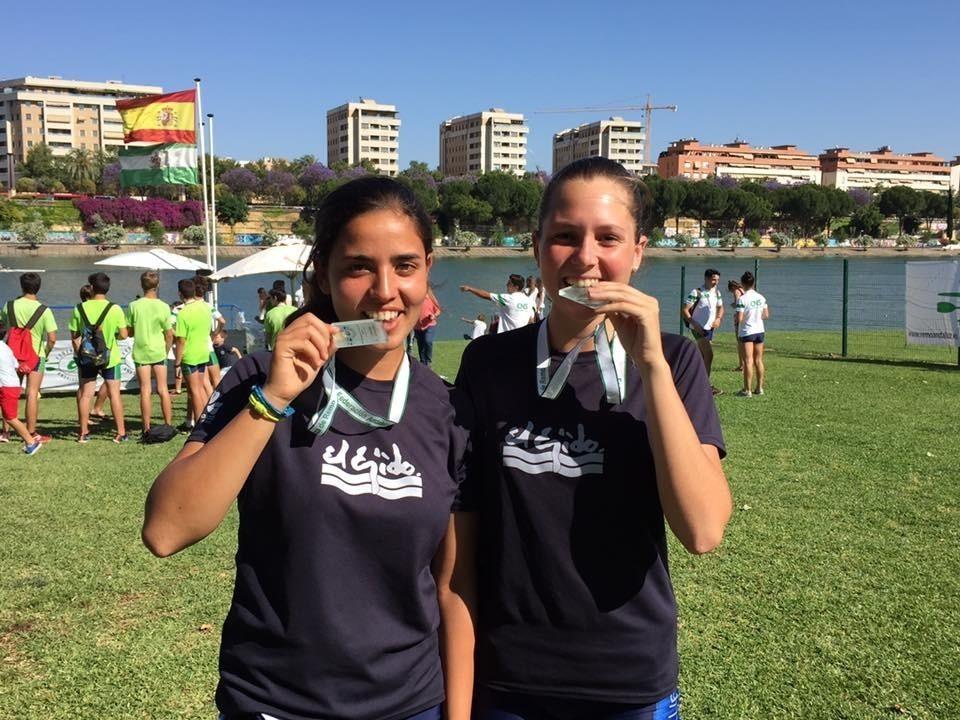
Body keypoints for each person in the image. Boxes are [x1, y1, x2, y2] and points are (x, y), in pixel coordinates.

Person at [142, 176, 476, 720]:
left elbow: (454, 587)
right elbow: (166, 530)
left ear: (428, 270)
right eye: (359, 266)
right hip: (276, 701)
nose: (385, 290)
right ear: (323, 272)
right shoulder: (258, 378)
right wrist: (273, 398)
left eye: (405, 266)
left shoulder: (450, 409)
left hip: (409, 703)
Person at [455, 157, 731, 720]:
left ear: (637, 251)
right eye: (564, 237)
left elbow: (702, 530)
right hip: (508, 679)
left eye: (608, 237)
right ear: (537, 248)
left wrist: (650, 364)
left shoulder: (674, 360)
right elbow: (464, 532)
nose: (585, 258)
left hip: (626, 679)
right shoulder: (487, 363)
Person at [70, 272, 128, 443]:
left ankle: (83, 433)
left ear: (92, 288)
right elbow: (124, 335)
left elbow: (75, 334)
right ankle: (120, 433)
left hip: (87, 356)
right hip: (110, 356)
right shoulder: (114, 308)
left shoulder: (79, 308)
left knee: (86, 394)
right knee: (114, 394)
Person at [4, 272, 57, 443]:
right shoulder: (44, 310)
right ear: (38, 288)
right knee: (32, 393)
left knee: (8, 393)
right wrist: (45, 353)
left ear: (21, 286)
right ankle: (32, 432)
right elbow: (52, 338)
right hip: (36, 356)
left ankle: (5, 432)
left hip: (12, 355)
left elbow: (2, 327)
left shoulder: (9, 305)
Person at [126, 271, 174, 434]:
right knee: (163, 389)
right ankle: (168, 423)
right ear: (157, 285)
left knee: (145, 390)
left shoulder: (134, 305)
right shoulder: (164, 306)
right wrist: (166, 350)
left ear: (141, 285)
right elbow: (169, 333)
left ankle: (146, 427)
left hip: (141, 350)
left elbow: (130, 331)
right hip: (158, 350)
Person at [174, 278, 214, 426]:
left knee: (194, 391)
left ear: (180, 294)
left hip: (189, 355)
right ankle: (205, 419)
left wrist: (177, 363)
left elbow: (181, 341)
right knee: (201, 388)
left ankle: (199, 423)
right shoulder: (205, 308)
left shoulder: (183, 313)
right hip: (203, 352)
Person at [0, 326, 43, 455]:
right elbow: (15, 365)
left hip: (6, 387)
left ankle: (31, 442)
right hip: (10, 385)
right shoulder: (6, 348)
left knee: (11, 418)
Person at [682, 268, 724, 395]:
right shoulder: (696, 292)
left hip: (709, 328)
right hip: (698, 329)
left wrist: (718, 318)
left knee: (701, 356)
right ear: (706, 278)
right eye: (713, 280)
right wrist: (694, 324)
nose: (715, 282)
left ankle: (693, 381)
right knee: (709, 355)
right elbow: (684, 310)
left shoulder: (717, 292)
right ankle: (706, 386)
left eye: (717, 280)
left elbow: (721, 307)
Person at [460, 274, 534, 333]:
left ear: (516, 287)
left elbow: (486, 295)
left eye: (509, 283)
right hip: (522, 339)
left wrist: (470, 289)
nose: (506, 285)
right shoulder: (529, 301)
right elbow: (531, 321)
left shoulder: (508, 298)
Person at [735, 271, 769, 397]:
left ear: (743, 284)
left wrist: (744, 318)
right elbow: (766, 315)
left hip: (747, 332)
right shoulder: (761, 297)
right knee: (758, 360)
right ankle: (759, 388)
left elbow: (739, 318)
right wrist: (756, 317)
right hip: (759, 330)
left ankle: (747, 390)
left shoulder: (742, 299)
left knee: (748, 361)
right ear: (753, 283)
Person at [414, 284, 442, 367]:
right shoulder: (414, 299)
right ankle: (423, 363)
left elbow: (438, 310)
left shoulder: (430, 298)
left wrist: (434, 316)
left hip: (430, 324)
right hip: (417, 326)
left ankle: (428, 361)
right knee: (421, 345)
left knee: (428, 341)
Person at [727, 279, 745, 372]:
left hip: (739, 317)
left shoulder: (736, 291)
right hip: (747, 316)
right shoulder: (743, 289)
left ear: (732, 287)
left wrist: (732, 305)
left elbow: (738, 304)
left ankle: (741, 365)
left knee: (739, 342)